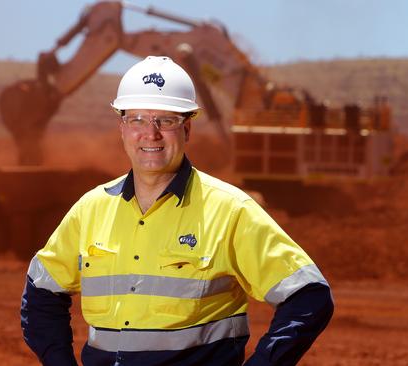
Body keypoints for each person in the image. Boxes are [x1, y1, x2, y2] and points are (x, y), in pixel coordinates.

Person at [21, 56, 334, 366]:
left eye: (166, 120)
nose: (151, 133)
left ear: (187, 129)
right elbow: (42, 290)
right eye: (138, 119)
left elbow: (308, 295)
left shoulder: (229, 211)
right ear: (122, 127)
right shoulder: (91, 209)